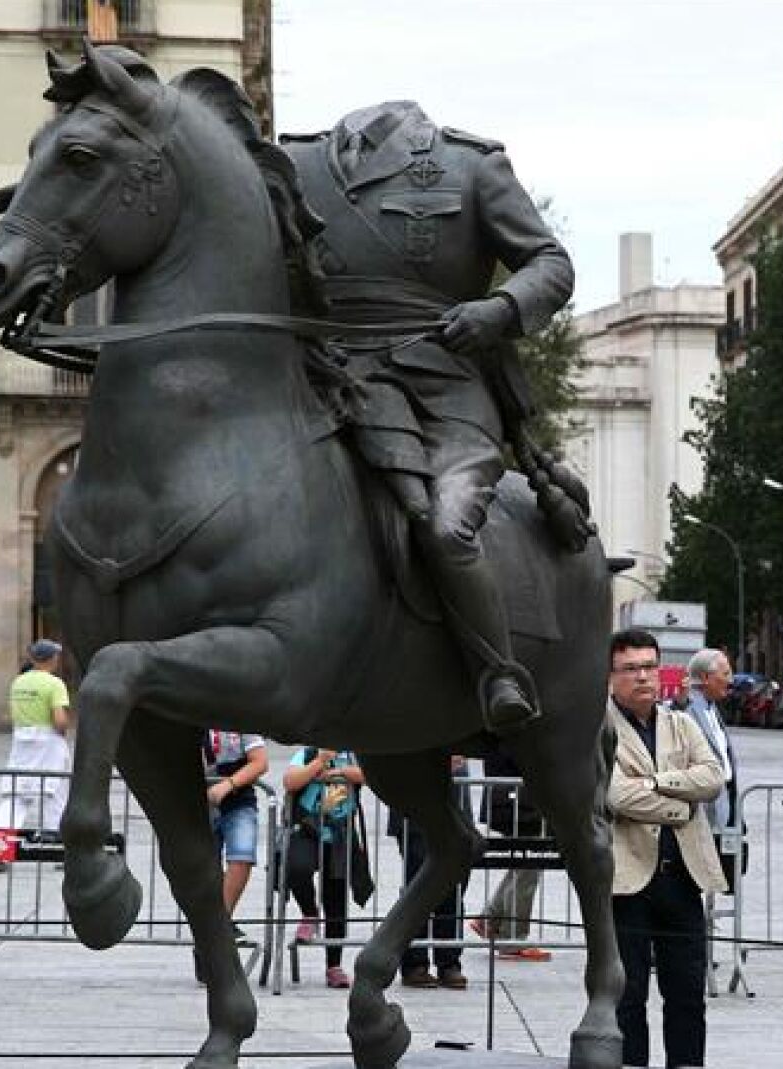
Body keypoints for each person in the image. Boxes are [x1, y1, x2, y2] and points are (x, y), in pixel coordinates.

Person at [282, 101, 577, 736]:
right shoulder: (295, 161)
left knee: (445, 526)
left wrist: (498, 310)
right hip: (326, 377)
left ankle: (498, 668)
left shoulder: (469, 166)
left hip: (442, 384)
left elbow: (550, 266)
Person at [606, 628, 725, 1069]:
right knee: (627, 996)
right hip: (627, 881)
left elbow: (712, 778)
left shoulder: (682, 722)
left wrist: (654, 784)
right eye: (630, 669)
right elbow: (615, 795)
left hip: (682, 877)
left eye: (649, 667)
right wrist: (679, 804)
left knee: (687, 994)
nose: (642, 677)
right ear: (610, 677)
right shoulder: (599, 729)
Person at [282, 747, 367, 990]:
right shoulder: (307, 753)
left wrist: (339, 771)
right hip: (308, 829)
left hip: (340, 834)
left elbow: (368, 775)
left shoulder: (352, 754)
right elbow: (290, 781)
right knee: (297, 868)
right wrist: (318, 762)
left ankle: (334, 965)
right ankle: (309, 912)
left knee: (336, 897)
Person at [389, 754, 469, 989]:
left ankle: (449, 962)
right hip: (413, 811)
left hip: (453, 809)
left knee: (452, 887)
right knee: (420, 886)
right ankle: (415, 962)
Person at [472, 748, 551, 962]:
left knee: (523, 865)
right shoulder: (517, 723)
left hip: (513, 801)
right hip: (520, 803)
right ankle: (513, 939)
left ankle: (489, 918)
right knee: (528, 868)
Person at [0, 639, 73, 837]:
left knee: (15, 795)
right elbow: (60, 720)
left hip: (22, 739)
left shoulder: (18, 682)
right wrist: (64, 729)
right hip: (49, 741)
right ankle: (55, 846)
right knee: (54, 794)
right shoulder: (54, 684)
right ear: (52, 659)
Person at [683, 648, 741, 882]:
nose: (730, 680)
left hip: (722, 800)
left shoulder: (712, 708)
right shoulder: (687, 709)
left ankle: (708, 915)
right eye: (725, 673)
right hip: (701, 806)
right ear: (706, 678)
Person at [203, 731, 269, 925]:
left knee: (242, 856)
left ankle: (221, 921)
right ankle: (211, 924)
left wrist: (228, 785)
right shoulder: (191, 718)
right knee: (202, 865)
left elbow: (260, 762)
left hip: (239, 801)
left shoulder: (242, 717)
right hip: (198, 805)